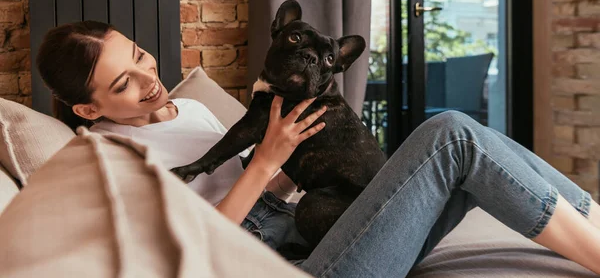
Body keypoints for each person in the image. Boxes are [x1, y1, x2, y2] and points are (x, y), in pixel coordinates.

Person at [36, 21, 600, 277]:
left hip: (313, 228)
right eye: (122, 84)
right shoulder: (107, 159)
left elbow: (274, 184)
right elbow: (190, 247)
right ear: (88, 110)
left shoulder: (194, 109)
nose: (147, 77)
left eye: (137, 55)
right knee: (451, 133)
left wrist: (305, 154)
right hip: (299, 266)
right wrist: (266, 162)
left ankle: (591, 219)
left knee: (471, 146)